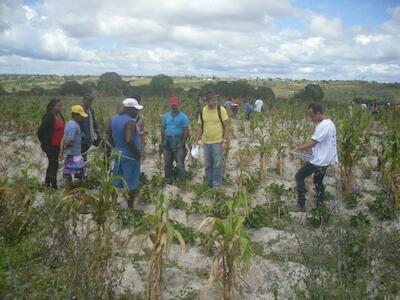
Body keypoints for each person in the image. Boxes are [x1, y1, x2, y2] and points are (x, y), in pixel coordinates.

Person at [289, 103, 338, 211]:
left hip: (319, 161)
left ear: (318, 113)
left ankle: (301, 204)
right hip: (325, 160)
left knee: (299, 176)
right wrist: (311, 151)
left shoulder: (323, 125)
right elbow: (322, 143)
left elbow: (313, 142)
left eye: (312, 115)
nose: (310, 118)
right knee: (318, 181)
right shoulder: (329, 123)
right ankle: (320, 204)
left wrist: (296, 149)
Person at [108, 98, 143, 210]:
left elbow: (108, 135)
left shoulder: (113, 119)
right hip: (130, 157)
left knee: (116, 180)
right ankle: (130, 208)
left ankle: (113, 203)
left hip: (118, 154)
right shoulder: (130, 122)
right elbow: (129, 140)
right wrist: (137, 153)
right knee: (131, 183)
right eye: (135, 109)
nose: (137, 112)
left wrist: (116, 147)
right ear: (128, 109)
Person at [194, 91, 229, 189]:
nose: (215, 101)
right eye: (213, 100)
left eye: (216, 99)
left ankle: (216, 184)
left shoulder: (221, 110)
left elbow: (226, 126)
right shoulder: (202, 111)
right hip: (206, 142)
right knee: (208, 164)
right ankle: (208, 182)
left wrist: (225, 141)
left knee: (217, 164)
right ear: (207, 101)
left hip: (218, 142)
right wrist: (196, 140)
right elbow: (200, 127)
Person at [161, 96, 190, 184]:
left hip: (178, 141)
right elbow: (162, 128)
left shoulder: (183, 117)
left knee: (180, 163)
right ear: (171, 105)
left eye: (176, 105)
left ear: (178, 105)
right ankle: (168, 180)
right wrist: (162, 141)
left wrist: (183, 143)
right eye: (173, 105)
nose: (174, 107)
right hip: (167, 141)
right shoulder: (166, 116)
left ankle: (182, 181)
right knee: (167, 163)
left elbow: (186, 130)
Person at [37, 98, 65, 189]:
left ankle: (47, 184)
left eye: (61, 105)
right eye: (59, 106)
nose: (61, 107)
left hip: (58, 145)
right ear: (52, 107)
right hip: (50, 146)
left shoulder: (60, 115)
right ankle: (54, 186)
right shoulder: (48, 117)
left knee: (52, 164)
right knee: (54, 164)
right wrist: (45, 143)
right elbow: (40, 131)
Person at [59, 105, 88, 191]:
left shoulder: (68, 123)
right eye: (80, 116)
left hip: (69, 155)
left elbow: (63, 139)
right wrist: (64, 148)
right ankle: (83, 193)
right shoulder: (74, 126)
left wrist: (61, 152)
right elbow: (69, 141)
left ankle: (68, 192)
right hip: (75, 155)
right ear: (75, 115)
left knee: (68, 175)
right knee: (83, 175)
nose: (82, 118)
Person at [80, 95, 100, 161]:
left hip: (92, 135)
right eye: (88, 101)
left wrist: (97, 129)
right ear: (84, 100)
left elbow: (93, 121)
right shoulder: (80, 111)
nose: (90, 103)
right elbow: (79, 123)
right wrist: (82, 134)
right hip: (84, 137)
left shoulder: (91, 110)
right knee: (83, 154)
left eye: (91, 101)